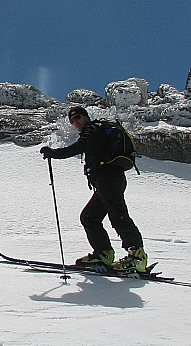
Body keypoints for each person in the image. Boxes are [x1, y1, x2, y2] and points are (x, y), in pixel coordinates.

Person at [40, 106, 147, 272]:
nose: (76, 123)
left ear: (86, 117)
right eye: (72, 121)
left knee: (118, 216)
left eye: (78, 118)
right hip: (106, 181)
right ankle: (104, 254)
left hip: (109, 179)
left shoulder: (93, 130)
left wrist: (53, 153)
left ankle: (137, 256)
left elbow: (77, 148)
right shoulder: (94, 132)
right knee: (89, 217)